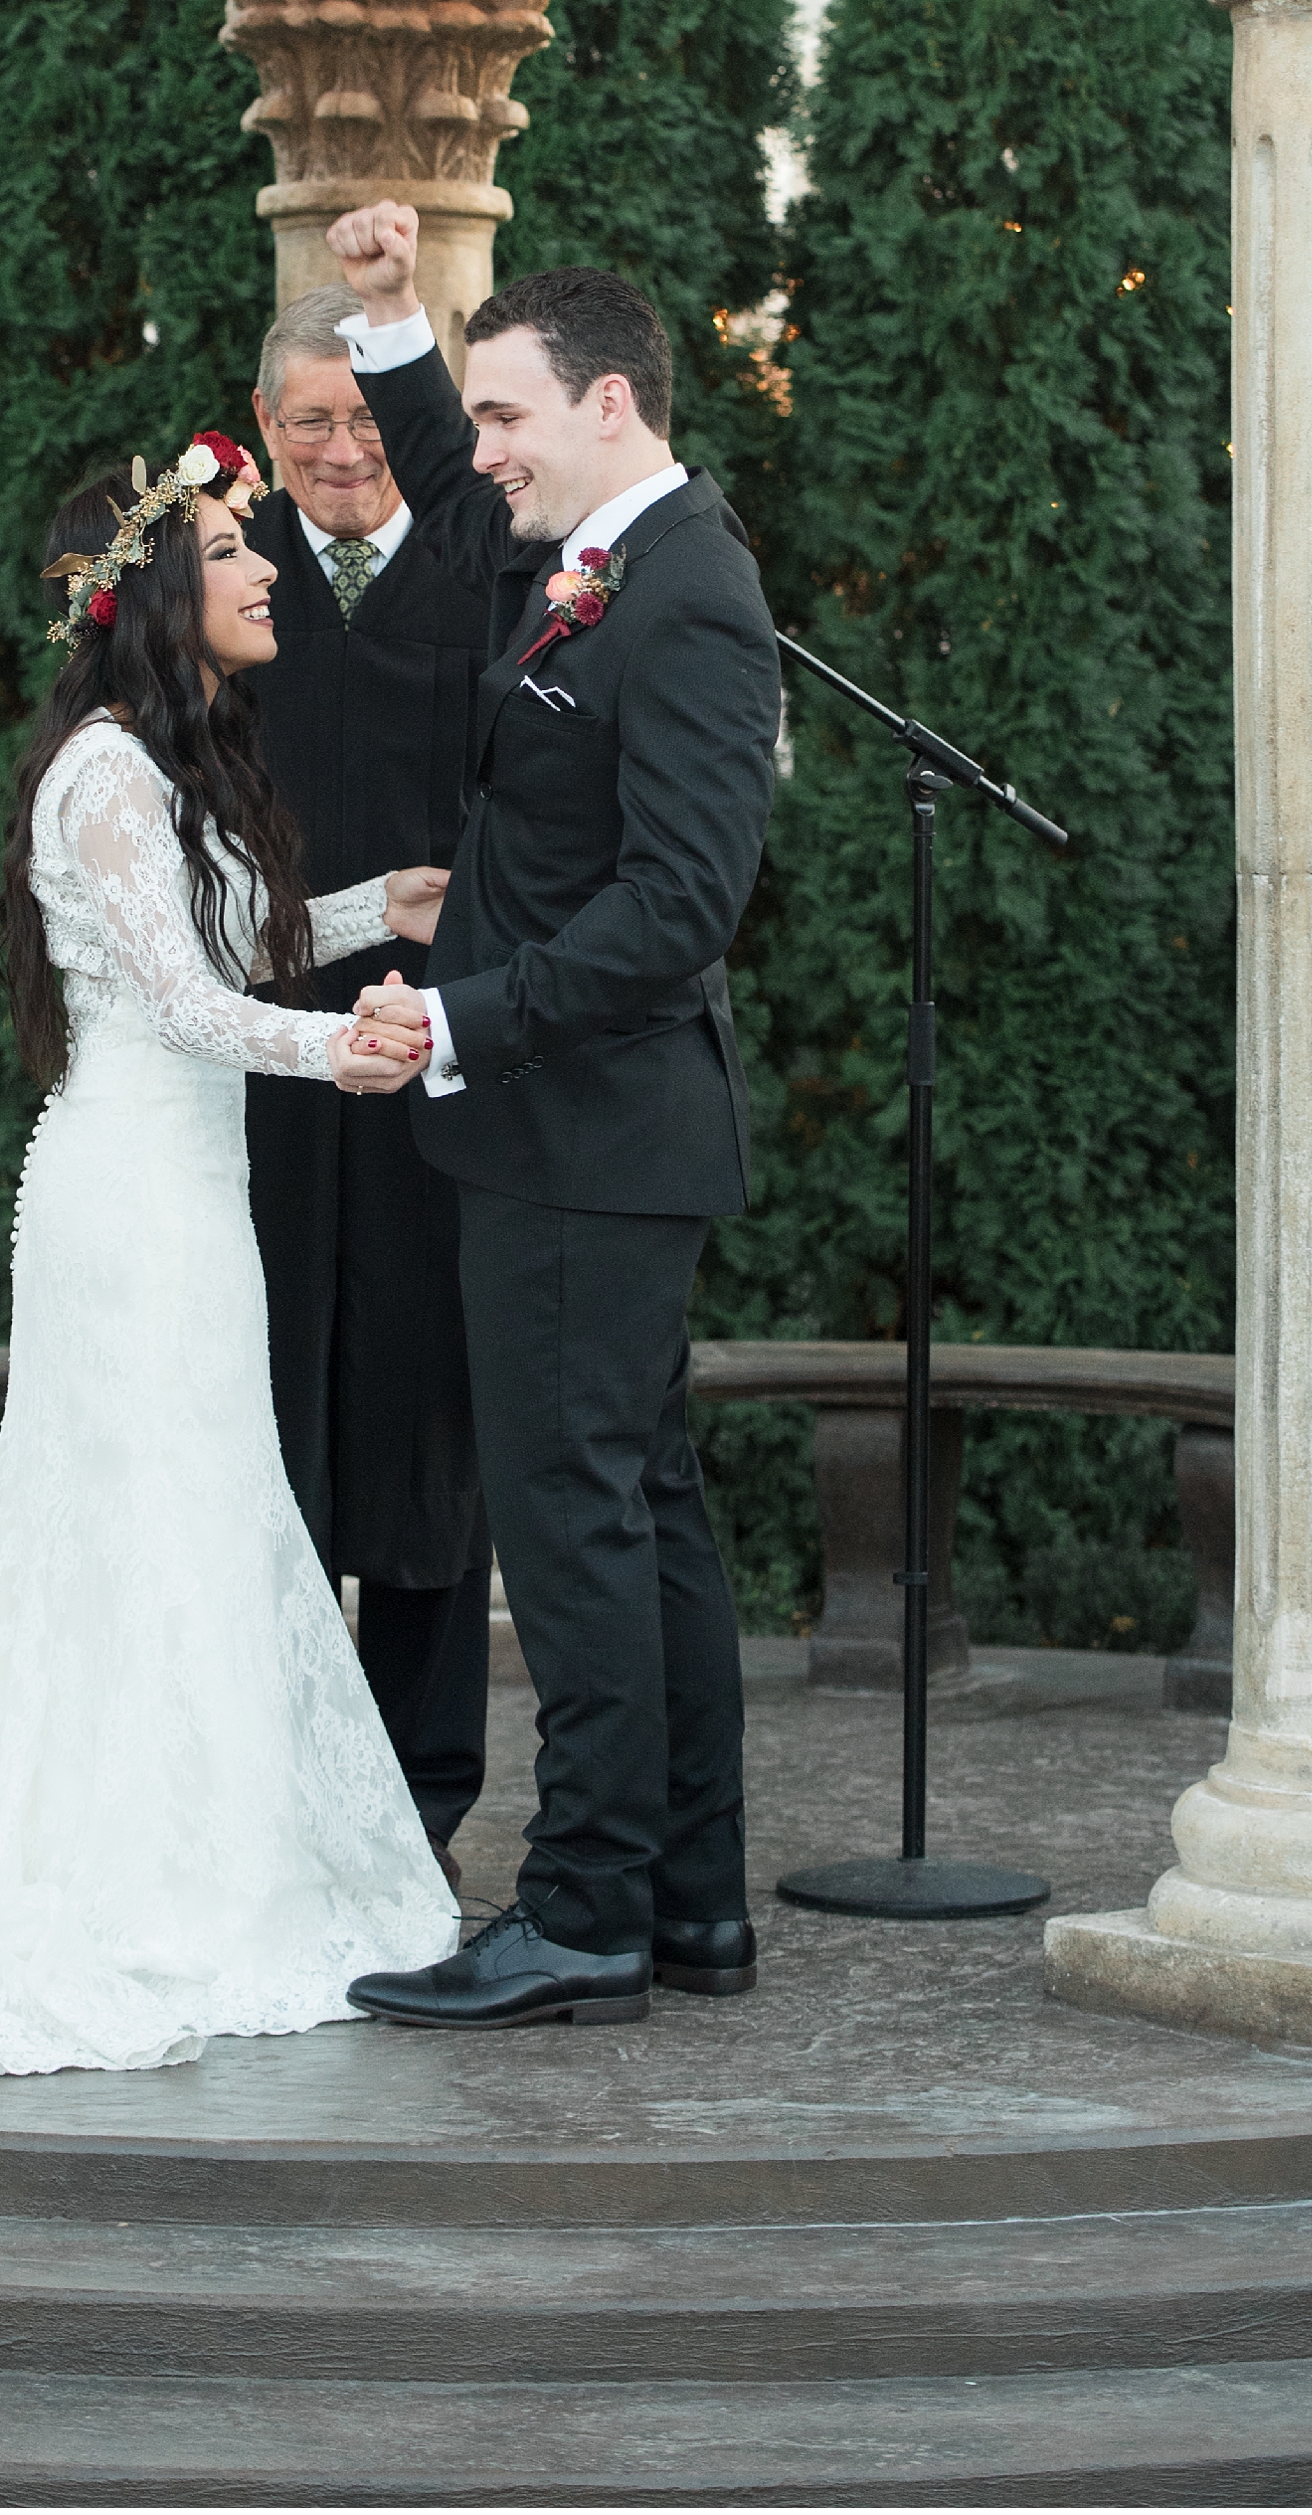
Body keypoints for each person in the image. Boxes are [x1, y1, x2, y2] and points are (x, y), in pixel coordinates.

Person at [0, 430, 457, 2076]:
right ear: (160, 590)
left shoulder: (165, 769)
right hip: (131, 1208)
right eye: (233, 550)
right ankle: (142, 1885)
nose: (265, 569)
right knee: (153, 1519)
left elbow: (237, 940)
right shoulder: (100, 775)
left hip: (182, 1199)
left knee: (201, 1517)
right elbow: (175, 1006)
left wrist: (387, 907)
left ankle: (212, 1853)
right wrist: (344, 1058)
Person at [323, 204, 783, 2034]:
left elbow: (681, 910)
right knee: (642, 1513)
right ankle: (690, 1898)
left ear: (606, 403)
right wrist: (395, 321)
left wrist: (457, 1022)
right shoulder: (588, 545)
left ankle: (583, 1907)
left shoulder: (688, 593)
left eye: (508, 415)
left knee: (573, 1523)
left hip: (583, 1138)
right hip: (571, 1137)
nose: (481, 446)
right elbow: (448, 480)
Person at [241, 286, 494, 1883]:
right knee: (261, 1429)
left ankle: (422, 1810)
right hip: (257, 1079)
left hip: (426, 1071)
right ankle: (266, 1787)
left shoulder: (483, 589)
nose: (342, 450)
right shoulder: (220, 587)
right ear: (265, 429)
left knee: (425, 1430)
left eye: (364, 417)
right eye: (308, 421)